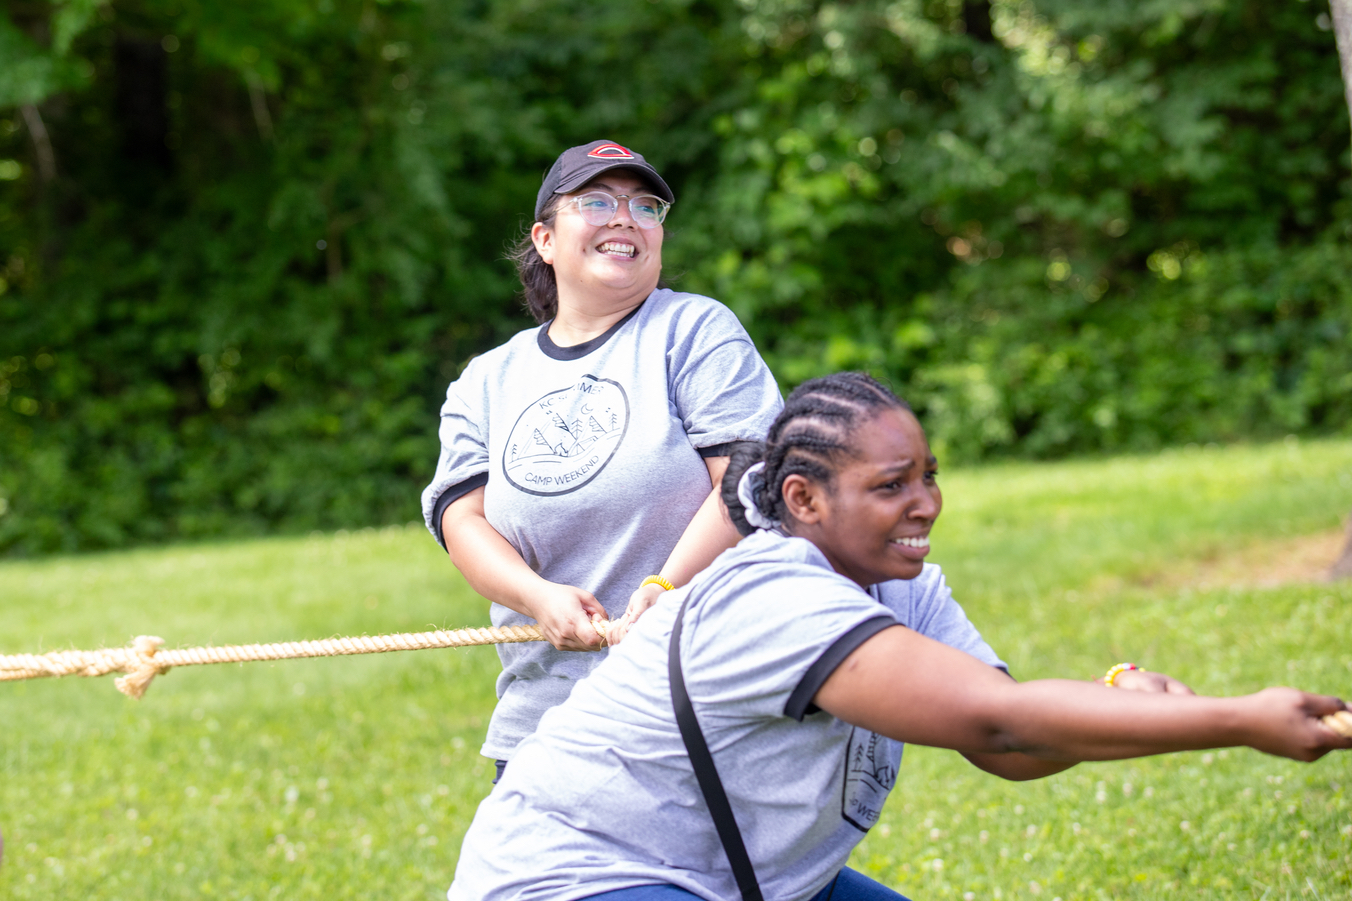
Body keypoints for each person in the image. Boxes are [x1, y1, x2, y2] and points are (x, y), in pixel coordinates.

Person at [445, 372, 1351, 901]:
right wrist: (1242, 719)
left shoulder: (905, 587)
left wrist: (1113, 703)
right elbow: (1003, 724)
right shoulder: (770, 597)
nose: (925, 504)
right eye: (892, 486)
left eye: (929, 475)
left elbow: (1006, 737)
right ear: (803, 500)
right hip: (574, 877)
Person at [421, 139, 783, 773]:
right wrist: (537, 598)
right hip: (546, 731)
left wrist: (665, 587)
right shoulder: (486, 379)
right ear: (545, 240)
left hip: (695, 709)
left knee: (753, 879)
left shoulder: (694, 332)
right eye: (596, 201)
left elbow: (749, 482)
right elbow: (462, 520)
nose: (625, 217)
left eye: (645, 207)